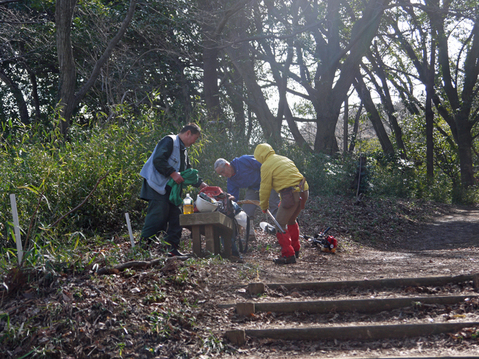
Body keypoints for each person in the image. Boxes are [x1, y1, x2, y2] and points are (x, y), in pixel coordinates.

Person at [139, 123, 207, 256]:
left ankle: (171, 249)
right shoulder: (169, 141)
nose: (195, 142)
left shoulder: (184, 151)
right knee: (157, 218)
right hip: (156, 186)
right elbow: (158, 160)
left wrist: (201, 184)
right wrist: (172, 173)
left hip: (170, 190)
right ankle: (143, 249)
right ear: (188, 133)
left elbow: (187, 172)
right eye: (196, 138)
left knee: (176, 217)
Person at [254, 143, 309, 264]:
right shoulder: (284, 158)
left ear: (260, 156)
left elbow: (264, 188)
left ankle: (288, 255)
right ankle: (296, 249)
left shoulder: (266, 165)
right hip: (303, 191)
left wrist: (264, 205)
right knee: (291, 220)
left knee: (279, 225)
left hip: (291, 195)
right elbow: (287, 178)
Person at [214, 156, 280, 240]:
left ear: (227, 165)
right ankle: (250, 234)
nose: (224, 175)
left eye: (223, 172)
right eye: (221, 174)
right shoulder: (231, 180)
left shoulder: (242, 161)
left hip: (266, 182)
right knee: (246, 211)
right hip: (253, 188)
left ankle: (282, 231)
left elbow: (263, 165)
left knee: (274, 206)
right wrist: (230, 199)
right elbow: (234, 198)